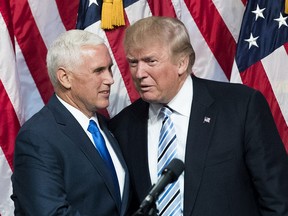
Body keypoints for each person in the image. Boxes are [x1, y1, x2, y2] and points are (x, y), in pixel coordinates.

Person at [109, 16, 288, 216]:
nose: (139, 72)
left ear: (182, 63)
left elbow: (277, 199)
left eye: (151, 61)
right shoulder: (122, 126)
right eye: (133, 62)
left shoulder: (240, 106)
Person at [11, 29, 131, 215]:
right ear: (65, 78)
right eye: (98, 71)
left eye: (109, 68)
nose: (110, 79)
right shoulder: (37, 138)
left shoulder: (106, 126)